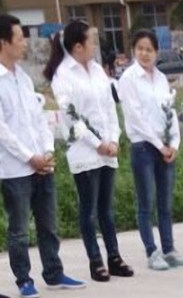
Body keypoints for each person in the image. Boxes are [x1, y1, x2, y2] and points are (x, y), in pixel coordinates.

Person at [0, 14, 84, 298]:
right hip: (15, 168)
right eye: (19, 38)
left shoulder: (24, 79)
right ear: (3, 43)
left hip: (41, 164)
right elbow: (3, 131)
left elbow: (39, 118)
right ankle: (24, 279)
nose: (25, 43)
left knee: (49, 223)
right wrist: (29, 157)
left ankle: (54, 272)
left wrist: (46, 151)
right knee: (20, 229)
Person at [46, 20, 133, 282]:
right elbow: (72, 117)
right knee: (89, 209)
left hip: (108, 149)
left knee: (106, 209)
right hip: (85, 152)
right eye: (91, 41)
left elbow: (109, 108)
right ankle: (95, 261)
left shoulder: (97, 71)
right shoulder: (63, 75)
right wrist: (97, 144)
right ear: (77, 46)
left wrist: (113, 139)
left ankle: (114, 257)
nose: (94, 45)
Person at [118, 29, 183, 270]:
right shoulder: (129, 78)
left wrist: (174, 144)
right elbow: (136, 117)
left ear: (156, 52)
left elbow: (169, 111)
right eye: (140, 49)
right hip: (144, 147)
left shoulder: (160, 78)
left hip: (165, 148)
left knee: (165, 202)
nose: (144, 53)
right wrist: (159, 145)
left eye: (149, 49)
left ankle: (169, 249)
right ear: (133, 50)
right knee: (146, 202)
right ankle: (152, 251)